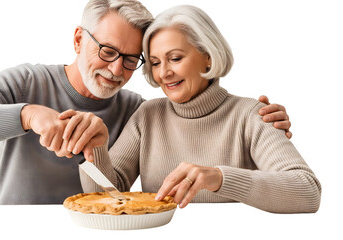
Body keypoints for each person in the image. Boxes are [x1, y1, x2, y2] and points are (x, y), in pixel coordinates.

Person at [0, 0, 291, 205]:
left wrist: (260, 123)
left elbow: (112, 188)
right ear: (79, 39)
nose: (117, 69)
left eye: (132, 59)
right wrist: (27, 114)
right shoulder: (27, 83)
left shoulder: (136, 109)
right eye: (108, 51)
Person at [76, 5, 321, 213]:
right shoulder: (148, 116)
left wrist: (220, 178)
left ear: (208, 57)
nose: (164, 73)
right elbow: (108, 195)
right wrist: (96, 150)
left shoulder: (251, 115)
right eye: (155, 63)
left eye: (175, 58)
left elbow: (308, 190)